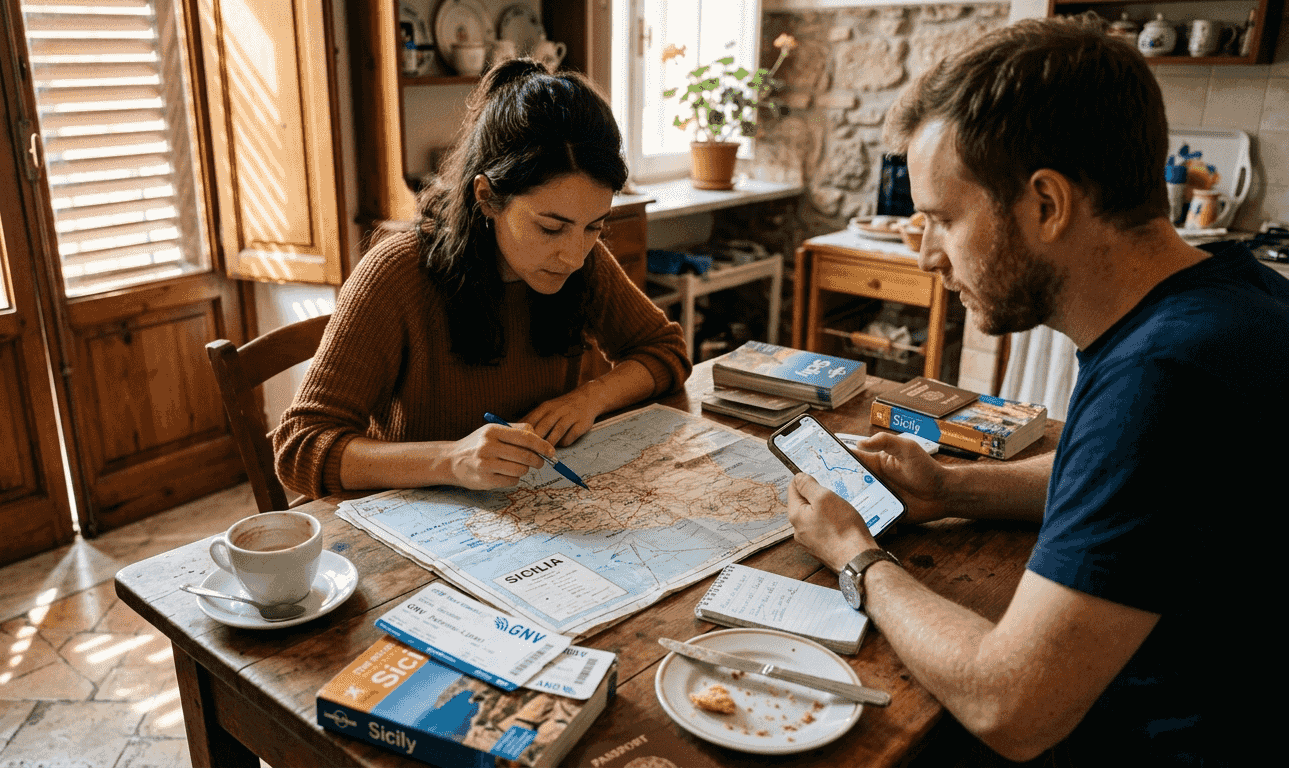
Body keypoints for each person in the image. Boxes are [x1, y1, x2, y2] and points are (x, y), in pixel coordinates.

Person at [786, 16, 1288, 766]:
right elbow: (1126, 485)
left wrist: (855, 555)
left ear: (1047, 204)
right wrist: (952, 489)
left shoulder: (1163, 377)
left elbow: (1010, 704)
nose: (926, 254)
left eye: (944, 219)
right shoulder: (1234, 299)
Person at [274, 60, 689, 498]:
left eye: (595, 226)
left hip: (532, 513)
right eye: (550, 227)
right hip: (418, 524)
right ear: (488, 198)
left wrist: (590, 398)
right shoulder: (397, 274)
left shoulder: (583, 257)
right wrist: (451, 459)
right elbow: (299, 446)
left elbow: (665, 351)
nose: (573, 255)